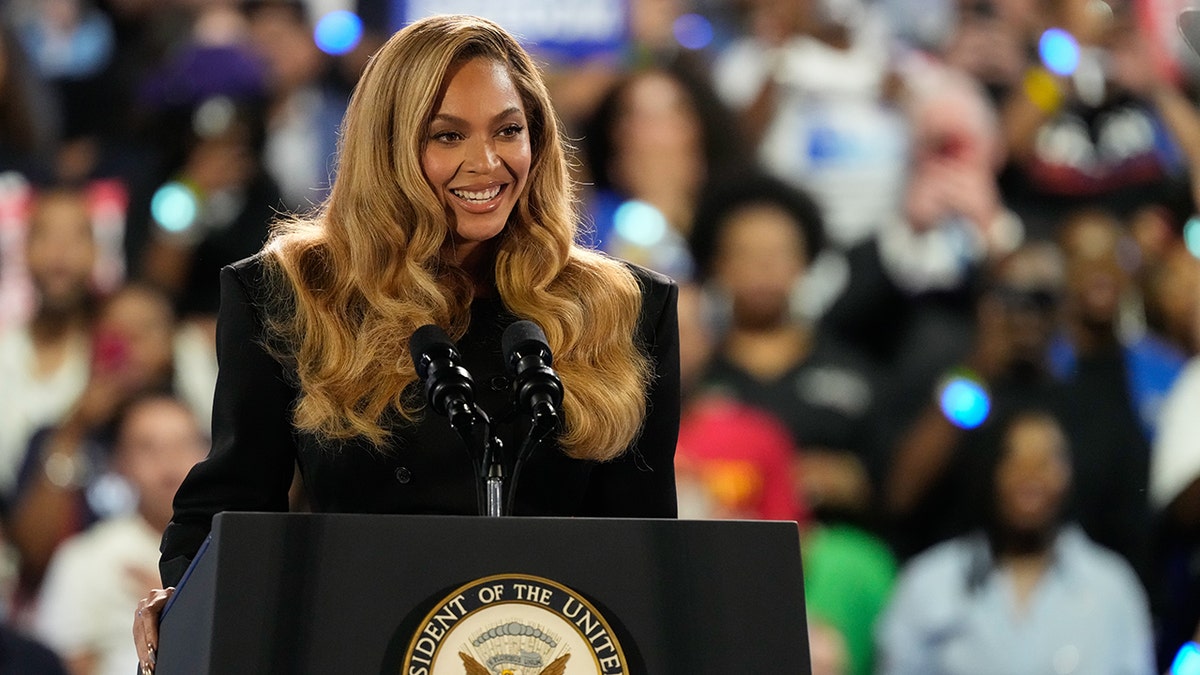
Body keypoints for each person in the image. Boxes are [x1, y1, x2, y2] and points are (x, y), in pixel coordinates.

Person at [132, 14, 681, 673]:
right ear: (387, 147)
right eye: (448, 136)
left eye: (509, 130)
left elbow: (649, 552)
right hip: (354, 644)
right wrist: (186, 604)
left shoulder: (622, 307)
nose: (487, 162)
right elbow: (230, 501)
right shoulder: (293, 294)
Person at [876, 408, 1156, 675]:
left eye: (1047, 461)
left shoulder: (1112, 590)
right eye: (1014, 458)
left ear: (1071, 474)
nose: (1030, 475)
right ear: (992, 471)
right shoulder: (931, 582)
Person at [33, 393, 208, 675]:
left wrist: (179, 609)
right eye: (147, 447)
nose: (169, 461)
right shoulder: (84, 559)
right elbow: (62, 662)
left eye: (183, 443)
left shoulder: (229, 553)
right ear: (120, 462)